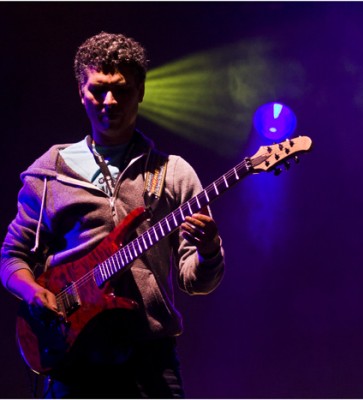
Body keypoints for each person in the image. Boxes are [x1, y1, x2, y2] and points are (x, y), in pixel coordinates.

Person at [0, 32, 225, 398]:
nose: (109, 101)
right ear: (80, 91)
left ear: (141, 92)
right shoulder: (47, 173)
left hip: (150, 362)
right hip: (70, 359)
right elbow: (12, 256)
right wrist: (32, 292)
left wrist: (209, 251)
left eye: (121, 90)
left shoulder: (173, 173)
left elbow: (194, 281)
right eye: (98, 89)